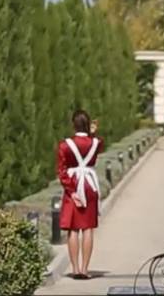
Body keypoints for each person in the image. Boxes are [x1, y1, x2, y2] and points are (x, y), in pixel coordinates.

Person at [57, 109, 104, 280]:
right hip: (90, 185)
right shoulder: (96, 142)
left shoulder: (65, 145)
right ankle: (85, 269)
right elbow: (100, 143)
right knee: (88, 227)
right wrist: (93, 133)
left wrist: (71, 191)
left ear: (73, 125)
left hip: (74, 184)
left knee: (73, 229)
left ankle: (75, 269)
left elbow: (61, 171)